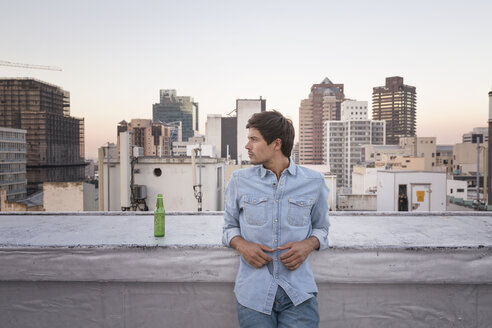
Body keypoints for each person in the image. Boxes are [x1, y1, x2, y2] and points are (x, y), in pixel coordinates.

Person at [222, 110, 330, 328]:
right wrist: (243, 246)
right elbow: (228, 228)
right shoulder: (239, 180)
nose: (247, 146)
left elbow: (322, 229)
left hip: (299, 294)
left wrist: (308, 245)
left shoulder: (314, 182)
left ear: (276, 144)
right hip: (253, 294)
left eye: (254, 139)